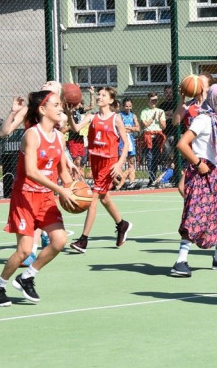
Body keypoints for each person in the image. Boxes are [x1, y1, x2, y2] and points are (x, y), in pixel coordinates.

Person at [0, 90, 80, 306]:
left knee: (59, 241)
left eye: (60, 105)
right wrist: (61, 189)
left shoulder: (58, 136)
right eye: (56, 105)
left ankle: (28, 276)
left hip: (46, 197)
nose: (60, 108)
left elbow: (63, 173)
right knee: (24, 250)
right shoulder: (32, 135)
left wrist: (73, 189)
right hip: (25, 197)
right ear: (42, 110)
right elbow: (31, 171)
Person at [170, 84, 217, 276]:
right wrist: (198, 163)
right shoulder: (202, 119)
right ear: (213, 99)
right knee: (194, 216)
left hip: (215, 173)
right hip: (201, 173)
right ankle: (180, 261)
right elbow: (182, 144)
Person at [66, 87, 133, 253]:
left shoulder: (115, 118)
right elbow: (75, 128)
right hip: (95, 160)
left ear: (110, 100)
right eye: (99, 94)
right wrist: (69, 114)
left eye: (104, 95)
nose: (99, 97)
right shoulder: (91, 117)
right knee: (104, 197)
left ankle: (83, 240)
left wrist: (119, 165)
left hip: (108, 163)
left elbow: (126, 144)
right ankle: (122, 224)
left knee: (93, 198)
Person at [140, 91, 167, 184]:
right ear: (148, 100)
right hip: (148, 136)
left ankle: (154, 177)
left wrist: (159, 119)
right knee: (149, 157)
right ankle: (151, 178)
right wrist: (152, 118)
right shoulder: (144, 111)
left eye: (155, 100)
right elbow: (144, 125)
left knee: (156, 157)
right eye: (152, 100)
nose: (154, 102)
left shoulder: (161, 111)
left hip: (157, 137)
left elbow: (163, 126)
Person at [118, 98, 139, 189]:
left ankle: (132, 181)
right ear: (123, 106)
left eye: (130, 106)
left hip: (130, 138)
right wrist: (130, 128)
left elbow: (137, 128)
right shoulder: (119, 115)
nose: (128, 108)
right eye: (126, 106)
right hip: (122, 139)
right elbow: (120, 128)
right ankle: (120, 181)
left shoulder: (133, 116)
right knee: (122, 161)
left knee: (131, 161)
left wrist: (128, 128)